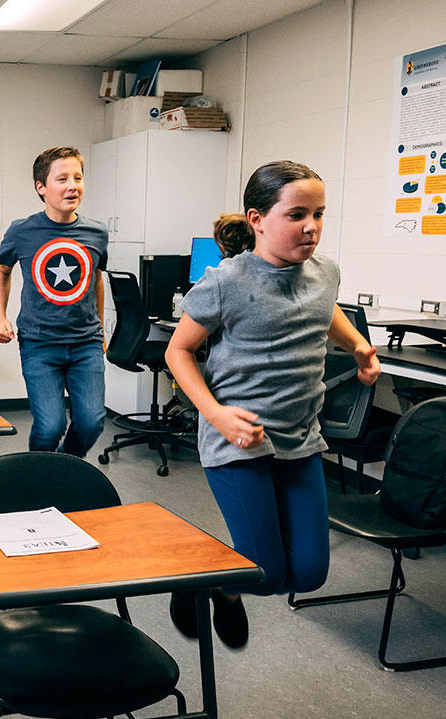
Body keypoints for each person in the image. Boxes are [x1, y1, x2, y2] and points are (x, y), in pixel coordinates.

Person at [164, 160, 380, 649]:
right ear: (257, 219)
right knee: (266, 570)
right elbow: (176, 351)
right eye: (297, 214)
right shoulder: (226, 282)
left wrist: (358, 348)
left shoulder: (326, 272)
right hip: (238, 440)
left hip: (301, 438)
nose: (312, 227)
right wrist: (215, 414)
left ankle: (220, 584)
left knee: (307, 574)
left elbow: (326, 314)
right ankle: (206, 579)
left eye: (320, 214)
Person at [0, 146, 109, 456]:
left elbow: (95, 278)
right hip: (40, 343)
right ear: (41, 187)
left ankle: (65, 468)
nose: (72, 185)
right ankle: (39, 472)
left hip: (86, 342)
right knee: (50, 426)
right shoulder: (22, 231)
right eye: (62, 179)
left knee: (92, 421)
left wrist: (100, 328)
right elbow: (2, 270)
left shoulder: (96, 233)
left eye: (78, 177)